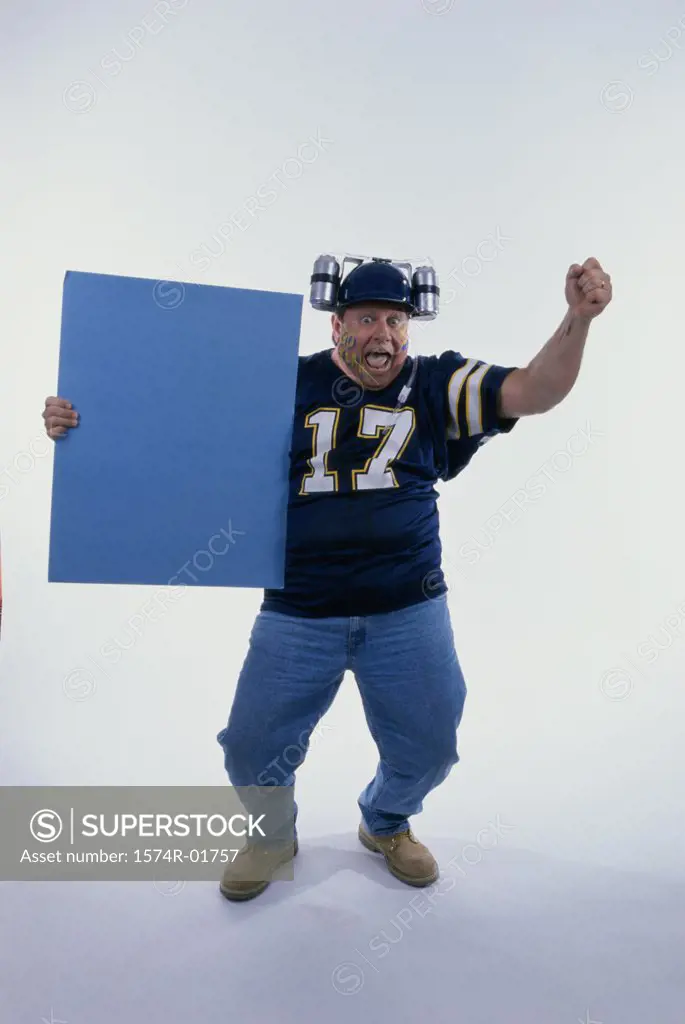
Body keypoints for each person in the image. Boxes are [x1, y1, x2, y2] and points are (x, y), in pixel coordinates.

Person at [42, 255, 612, 902]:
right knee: (253, 747)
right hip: (298, 607)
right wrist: (83, 421)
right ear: (336, 321)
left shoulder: (433, 382)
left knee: (430, 746)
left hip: (407, 605)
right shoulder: (278, 383)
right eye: (367, 318)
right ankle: (271, 837)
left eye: (395, 320)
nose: (383, 334)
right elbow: (173, 429)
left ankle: (386, 822)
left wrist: (577, 317)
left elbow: (535, 390)